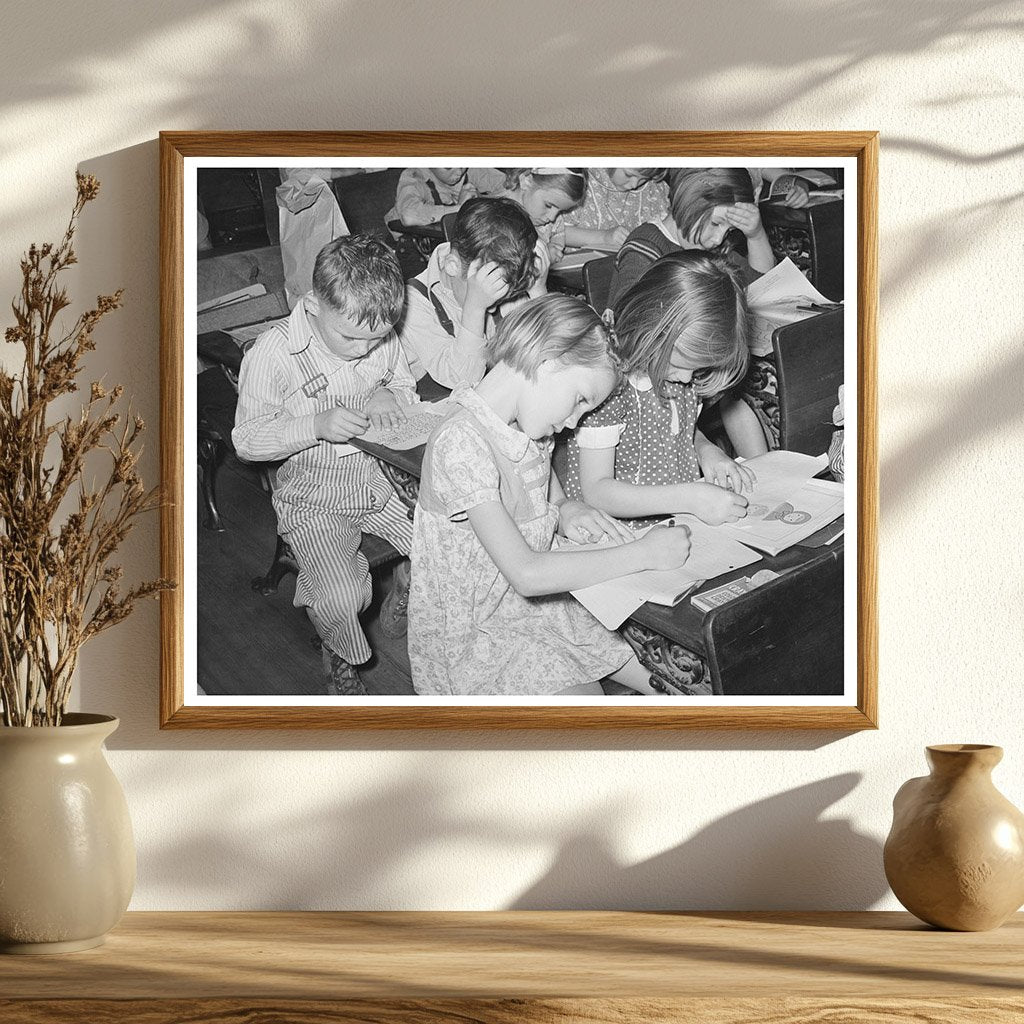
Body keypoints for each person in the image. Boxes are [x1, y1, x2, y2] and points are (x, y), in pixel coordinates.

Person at [408, 294, 692, 697]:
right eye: (580, 400)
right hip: (481, 629)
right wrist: (644, 554)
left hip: (539, 608)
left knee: (672, 681)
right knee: (592, 711)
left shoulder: (525, 421)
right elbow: (525, 574)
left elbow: (536, 478)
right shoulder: (460, 442)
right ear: (547, 359)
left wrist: (562, 505)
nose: (574, 421)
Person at [232, 235, 418, 696]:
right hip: (314, 495)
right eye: (351, 338)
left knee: (454, 549)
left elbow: (405, 386)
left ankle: (408, 587)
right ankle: (339, 653)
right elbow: (246, 441)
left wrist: (390, 393)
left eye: (377, 339)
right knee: (343, 596)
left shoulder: (378, 336)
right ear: (313, 304)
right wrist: (313, 424)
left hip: (381, 483)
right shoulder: (272, 355)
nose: (363, 350)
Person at [562, 252, 754, 530]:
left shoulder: (678, 372)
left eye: (698, 369)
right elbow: (596, 491)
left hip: (675, 522)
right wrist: (688, 498)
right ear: (651, 330)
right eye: (679, 365)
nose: (688, 379)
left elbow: (674, 427)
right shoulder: (609, 384)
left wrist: (704, 449)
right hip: (617, 534)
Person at [608, 167, 779, 455]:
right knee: (744, 381)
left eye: (729, 230)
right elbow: (625, 332)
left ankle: (762, 473)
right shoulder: (646, 247)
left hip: (699, 370)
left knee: (739, 380)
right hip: (658, 374)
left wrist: (756, 235)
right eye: (715, 224)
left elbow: (766, 284)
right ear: (691, 203)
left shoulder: (710, 246)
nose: (718, 238)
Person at [397, 197, 541, 388]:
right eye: (490, 302)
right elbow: (464, 380)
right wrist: (474, 308)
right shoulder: (412, 303)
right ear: (452, 266)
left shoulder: (499, 274)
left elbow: (542, 352)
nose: (492, 310)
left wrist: (539, 290)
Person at [563, 167, 669, 252]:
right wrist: (604, 237)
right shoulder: (581, 181)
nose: (634, 184)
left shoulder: (655, 190)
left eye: (644, 178)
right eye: (629, 175)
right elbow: (557, 232)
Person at [497, 168, 588, 264]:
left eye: (561, 211)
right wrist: (542, 255)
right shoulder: (496, 219)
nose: (552, 217)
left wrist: (553, 248)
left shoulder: (553, 220)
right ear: (526, 181)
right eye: (548, 205)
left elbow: (557, 237)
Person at [385, 167, 499, 228]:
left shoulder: (470, 170)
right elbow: (408, 216)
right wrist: (462, 208)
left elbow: (511, 187)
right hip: (413, 247)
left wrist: (481, 198)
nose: (459, 172)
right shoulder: (415, 176)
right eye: (448, 167)